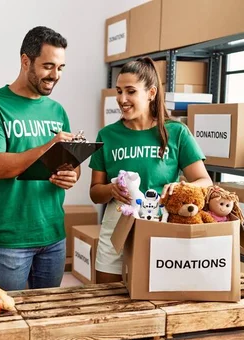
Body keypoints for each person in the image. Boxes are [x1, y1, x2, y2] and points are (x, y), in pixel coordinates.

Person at [0, 26, 79, 291]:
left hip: (53, 235)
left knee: (48, 315)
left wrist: (71, 175)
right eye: (48, 66)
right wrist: (47, 146)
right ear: (25, 61)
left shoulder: (57, 110)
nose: (55, 75)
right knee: (11, 321)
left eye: (61, 68)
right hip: (11, 240)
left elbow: (70, 166)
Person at [89, 57, 213, 283]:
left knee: (154, 296)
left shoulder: (176, 132)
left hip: (161, 225)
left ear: (151, 93)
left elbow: (205, 181)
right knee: (106, 299)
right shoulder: (106, 135)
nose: (122, 99)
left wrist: (182, 186)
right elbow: (95, 192)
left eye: (130, 91)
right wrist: (111, 189)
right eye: (118, 91)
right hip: (116, 224)